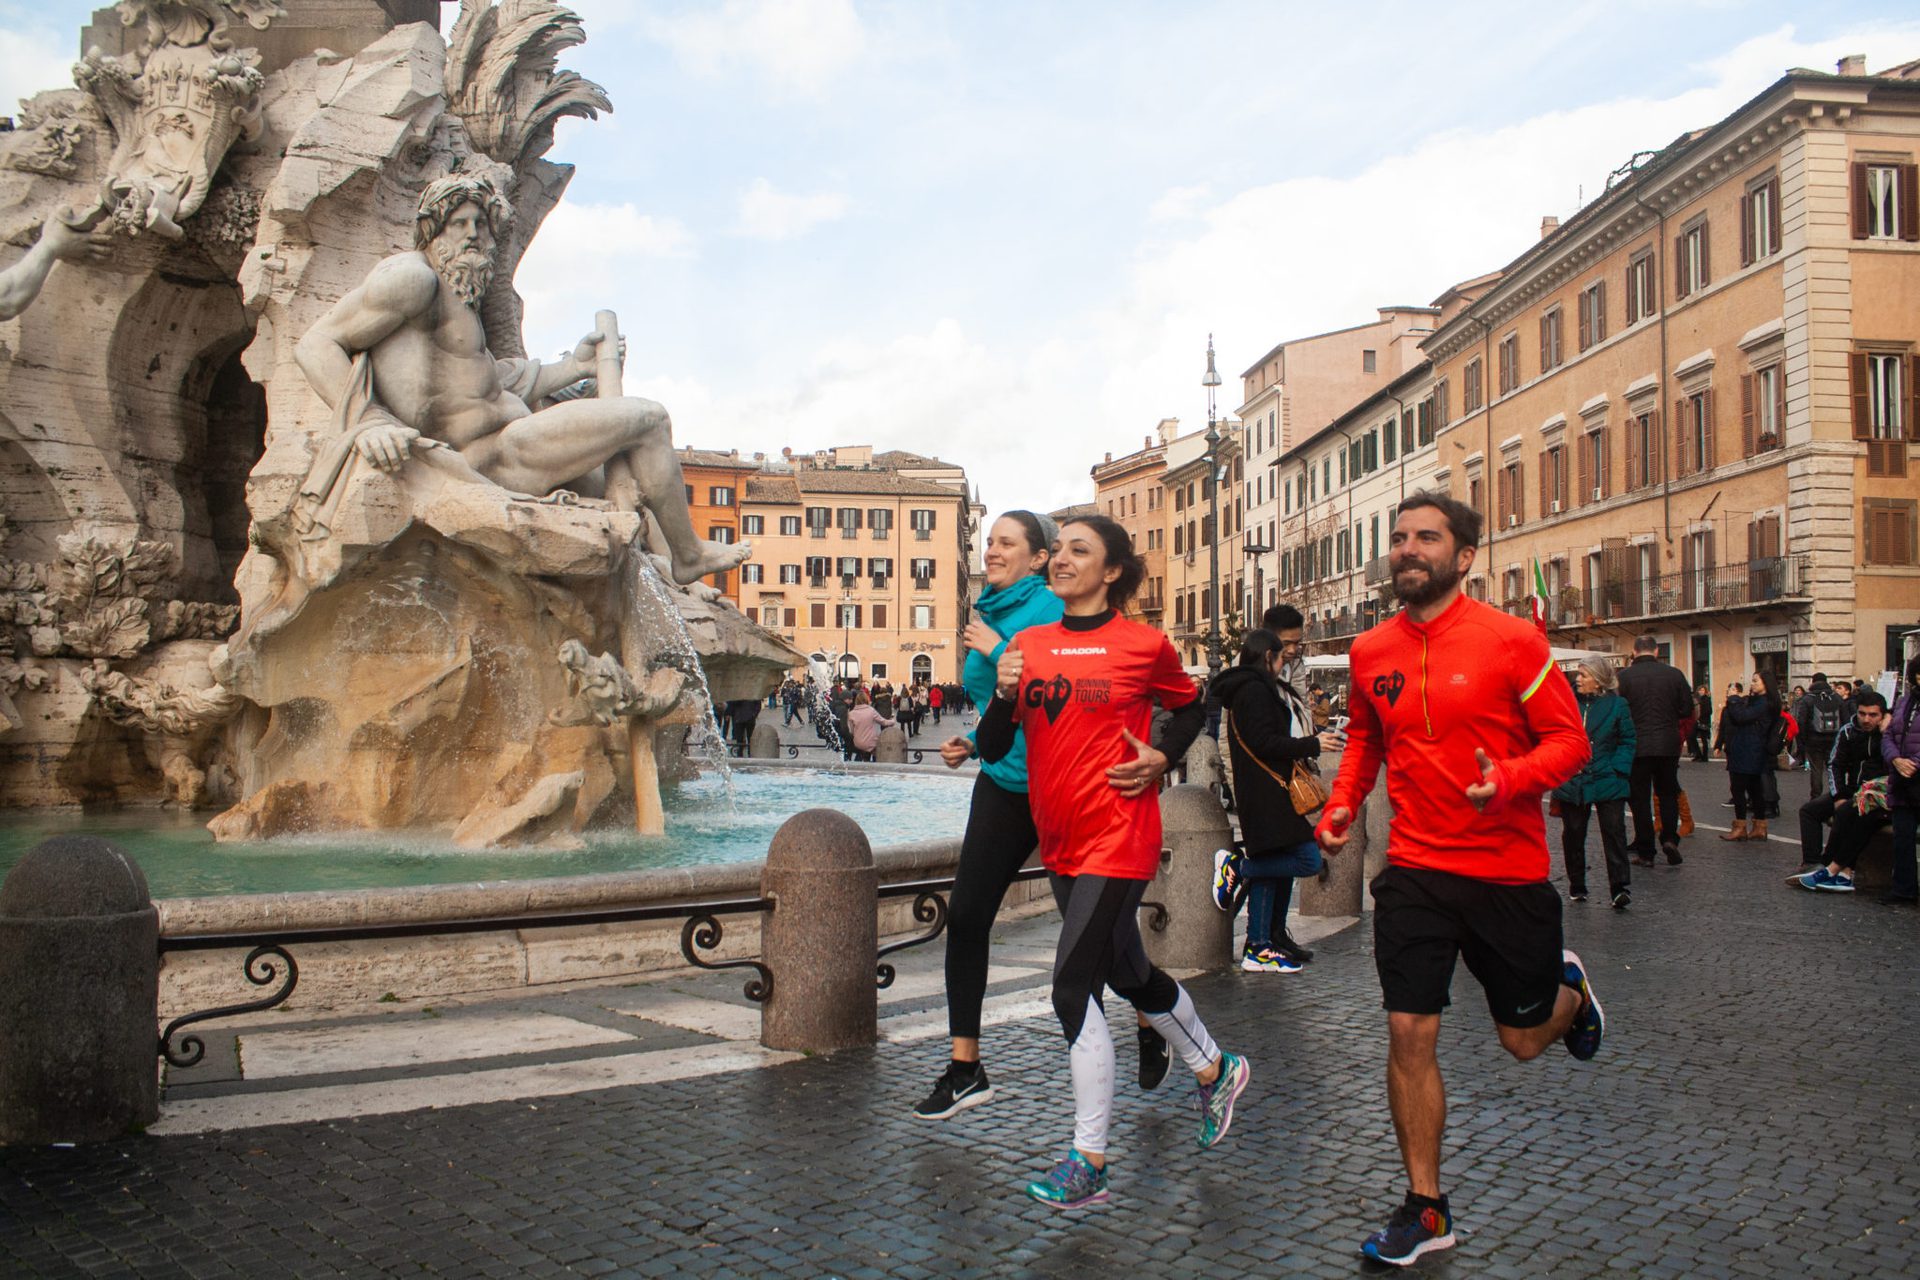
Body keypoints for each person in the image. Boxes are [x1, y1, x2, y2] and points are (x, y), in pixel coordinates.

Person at [1314, 491, 1601, 1267]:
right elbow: (1365, 745)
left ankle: (1568, 999)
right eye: (1400, 538)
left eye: (1426, 538)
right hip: (1414, 868)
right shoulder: (1372, 652)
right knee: (1409, 1029)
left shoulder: (1514, 642)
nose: (1407, 549)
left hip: (1507, 871)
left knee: (1519, 1041)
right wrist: (1341, 806)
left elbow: (1570, 744)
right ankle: (1427, 1207)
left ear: (1464, 557)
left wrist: (1507, 781)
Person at [976, 514, 1249, 1210]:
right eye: (1058, 550)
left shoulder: (1143, 644)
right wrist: (1006, 690)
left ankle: (1088, 1160)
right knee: (1129, 972)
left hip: (1119, 836)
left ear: (1113, 572)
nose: (1061, 560)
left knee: (1073, 989)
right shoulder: (1029, 645)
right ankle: (1215, 1068)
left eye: (1079, 551)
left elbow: (1192, 708)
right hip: (1060, 839)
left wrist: (1162, 756)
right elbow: (989, 742)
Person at [294, 170, 749, 586]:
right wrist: (369, 422)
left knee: (627, 492)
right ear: (433, 230)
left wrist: (574, 366)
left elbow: (493, 381)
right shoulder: (410, 280)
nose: (474, 234)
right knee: (649, 420)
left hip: (510, 442)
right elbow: (315, 345)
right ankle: (689, 555)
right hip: (493, 457)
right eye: (460, 222)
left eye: (482, 226)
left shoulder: (457, 299)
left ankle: (666, 571)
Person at [915, 511, 1080, 1120]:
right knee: (967, 915)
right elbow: (997, 702)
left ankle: (1151, 1020)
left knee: (1095, 932)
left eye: (1006, 542)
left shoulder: (1050, 610)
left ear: (1039, 558)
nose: (992, 550)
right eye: (989, 541)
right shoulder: (991, 606)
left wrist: (1000, 648)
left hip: (1061, 788)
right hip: (1004, 784)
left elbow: (1069, 682)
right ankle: (966, 1067)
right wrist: (977, 743)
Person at [1209, 616, 1346, 971]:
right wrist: (1312, 744)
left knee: (1275, 869)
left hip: (1267, 790)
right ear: (1267, 655)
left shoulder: (1250, 688)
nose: (1287, 659)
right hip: (1267, 792)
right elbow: (1264, 741)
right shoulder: (1254, 691)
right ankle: (1238, 867)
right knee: (1307, 859)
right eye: (1281, 656)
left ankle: (1260, 945)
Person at [1555, 657, 1636, 910]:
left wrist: (1617, 768)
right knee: (1573, 833)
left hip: (1607, 778)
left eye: (1583, 674)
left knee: (1614, 832)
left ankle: (1619, 887)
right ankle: (1577, 883)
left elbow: (1627, 740)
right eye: (1578, 674)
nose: (1577, 679)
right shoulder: (1566, 704)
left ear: (1599, 680)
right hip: (1574, 778)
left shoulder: (1617, 705)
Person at [1792, 690, 1889, 889]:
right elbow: (1835, 765)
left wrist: (1888, 725)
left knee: (1850, 813)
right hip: (1851, 790)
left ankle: (1831, 867)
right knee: (1809, 811)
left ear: (1882, 715)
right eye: (1862, 714)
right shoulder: (1848, 731)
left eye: (1873, 715)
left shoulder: (1889, 733)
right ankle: (1812, 863)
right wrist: (1838, 796)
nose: (1866, 719)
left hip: (1878, 794)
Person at [1615, 634, 1694, 868]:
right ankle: (1669, 838)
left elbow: (1618, 711)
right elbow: (1686, 708)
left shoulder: (1624, 677)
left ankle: (1646, 851)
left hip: (1637, 745)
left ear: (1634, 651)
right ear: (1657, 651)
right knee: (1667, 793)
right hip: (1667, 744)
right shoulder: (1674, 674)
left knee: (1639, 800)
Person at [1719, 671, 1781, 841]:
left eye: (1755, 681)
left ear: (1765, 684)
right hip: (1753, 748)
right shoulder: (1761, 702)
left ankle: (1740, 827)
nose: (1751, 684)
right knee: (1754, 789)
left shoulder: (1764, 703)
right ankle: (1759, 826)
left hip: (1749, 748)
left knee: (1738, 788)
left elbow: (1741, 717)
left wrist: (1733, 699)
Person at [1878, 657, 1920, 907]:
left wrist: (1913, 763)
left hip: (1914, 773)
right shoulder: (1905, 702)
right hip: (1903, 783)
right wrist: (1895, 759)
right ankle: (1904, 888)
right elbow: (1890, 735)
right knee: (1902, 838)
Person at [1793, 674, 1846, 800]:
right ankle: (1836, 795)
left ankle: (1816, 797)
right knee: (1834, 769)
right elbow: (1845, 718)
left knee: (1816, 770)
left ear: (1813, 682)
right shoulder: (1836, 698)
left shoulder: (1808, 699)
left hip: (1814, 740)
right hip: (1833, 740)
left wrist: (1804, 740)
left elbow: (1802, 721)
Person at [845, 692, 895, 762]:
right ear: (866, 699)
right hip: (871, 743)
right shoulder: (871, 711)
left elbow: (851, 731)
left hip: (858, 743)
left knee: (862, 752)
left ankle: (862, 763)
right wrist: (892, 721)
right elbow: (883, 722)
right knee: (876, 750)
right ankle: (876, 764)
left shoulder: (851, 714)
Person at [1689, 683, 1713, 762]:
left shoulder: (1707, 699)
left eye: (1703, 690)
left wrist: (1701, 716)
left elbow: (1709, 711)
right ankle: (1698, 754)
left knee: (1704, 739)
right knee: (1692, 737)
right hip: (1697, 721)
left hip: (1704, 721)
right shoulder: (1697, 699)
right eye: (1700, 690)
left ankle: (1705, 757)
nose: (1701, 691)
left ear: (1705, 691)